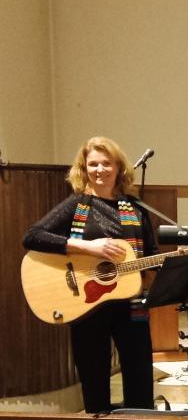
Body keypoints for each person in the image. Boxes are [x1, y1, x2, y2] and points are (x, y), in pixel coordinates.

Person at [23, 136, 156, 413]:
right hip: (86, 303)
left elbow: (151, 253)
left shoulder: (136, 208)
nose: (100, 170)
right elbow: (32, 236)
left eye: (106, 163)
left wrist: (158, 272)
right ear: (84, 169)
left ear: (119, 168)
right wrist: (87, 246)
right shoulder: (77, 204)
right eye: (93, 164)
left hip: (131, 305)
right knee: (94, 381)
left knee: (141, 378)